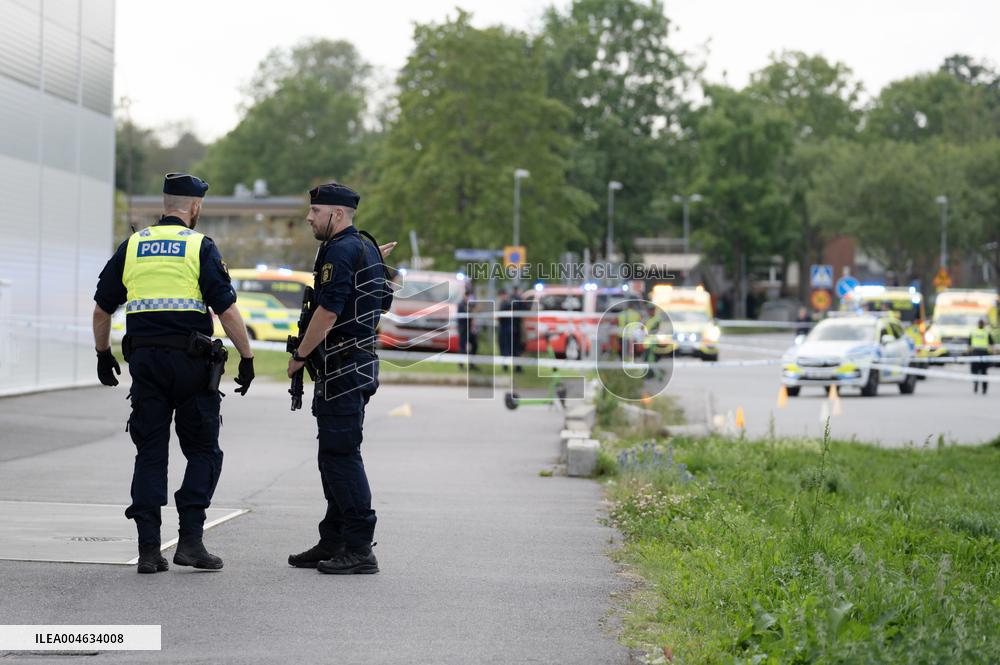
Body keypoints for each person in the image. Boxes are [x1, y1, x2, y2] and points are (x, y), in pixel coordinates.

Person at [92, 173, 255, 574]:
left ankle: (149, 550)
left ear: (164, 205)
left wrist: (102, 354)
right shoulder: (200, 246)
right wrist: (247, 357)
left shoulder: (131, 246)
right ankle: (191, 542)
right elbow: (226, 309)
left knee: (150, 451)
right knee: (203, 450)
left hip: (145, 364)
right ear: (195, 207)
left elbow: (101, 309)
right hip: (192, 365)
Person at [286, 182, 395, 575]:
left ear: (337, 214)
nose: (309, 218)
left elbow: (328, 311)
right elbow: (382, 299)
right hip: (352, 366)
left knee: (341, 456)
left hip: (344, 367)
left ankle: (360, 547)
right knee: (331, 456)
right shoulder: (365, 248)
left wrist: (300, 354)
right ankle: (334, 539)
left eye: (315, 212)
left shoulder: (343, 249)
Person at [457, 289, 479, 370]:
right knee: (462, 347)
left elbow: (473, 316)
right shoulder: (461, 304)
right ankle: (461, 365)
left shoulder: (470, 305)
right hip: (463, 329)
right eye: (467, 296)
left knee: (475, 345)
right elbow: (468, 313)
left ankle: (471, 364)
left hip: (470, 329)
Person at [970, 319, 992, 395]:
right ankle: (983, 388)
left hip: (976, 353)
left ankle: (979, 387)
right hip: (983, 353)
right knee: (983, 372)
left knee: (978, 372)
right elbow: (991, 344)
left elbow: (969, 345)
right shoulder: (986, 333)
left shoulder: (974, 332)